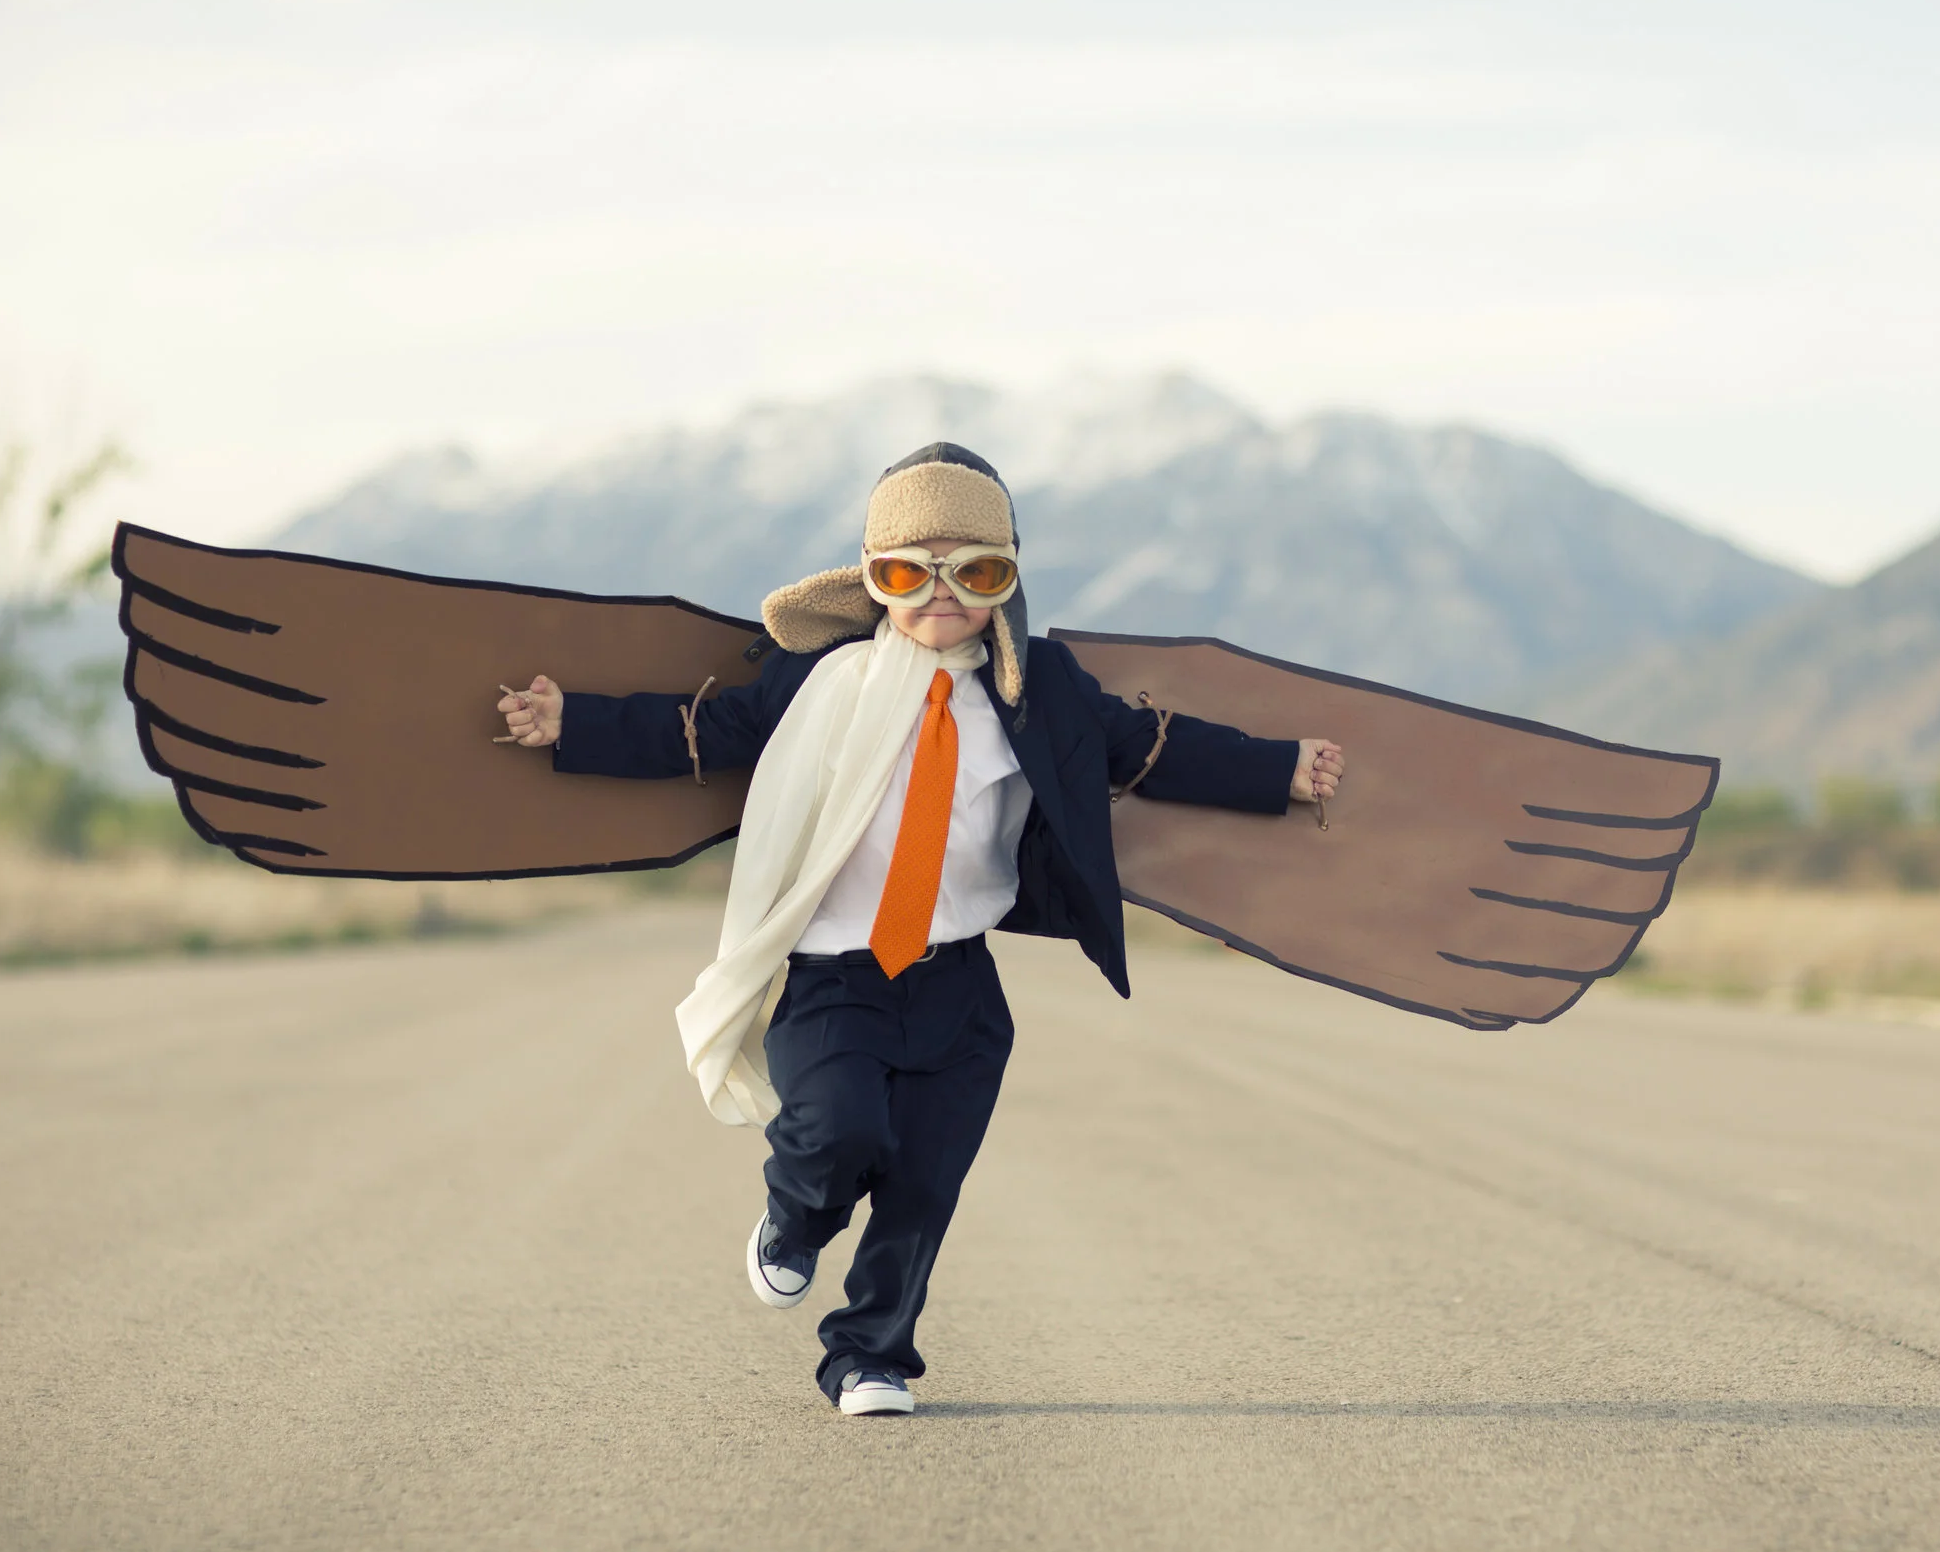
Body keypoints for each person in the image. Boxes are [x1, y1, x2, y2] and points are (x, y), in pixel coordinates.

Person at [495, 442, 1344, 1417]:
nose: (941, 596)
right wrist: (573, 726)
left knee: (922, 1183)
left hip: (958, 985)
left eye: (974, 572)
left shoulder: (1041, 689)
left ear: (1005, 582)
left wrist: (1276, 768)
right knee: (836, 1131)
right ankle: (792, 1220)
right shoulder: (818, 679)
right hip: (830, 974)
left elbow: (1149, 748)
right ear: (871, 581)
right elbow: (702, 734)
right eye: (908, 573)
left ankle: (870, 1358)